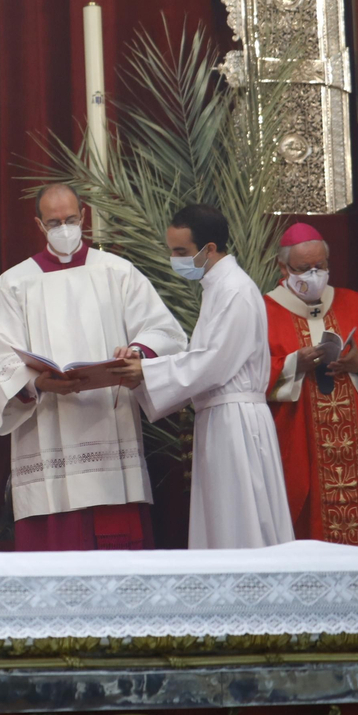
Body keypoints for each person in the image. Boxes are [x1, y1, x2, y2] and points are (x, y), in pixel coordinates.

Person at [0, 184, 187, 550]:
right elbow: (2, 355)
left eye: (71, 219)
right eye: (55, 222)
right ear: (39, 225)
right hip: (47, 422)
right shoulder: (14, 284)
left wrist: (137, 352)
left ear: (84, 216)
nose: (65, 228)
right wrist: (39, 383)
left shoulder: (117, 272)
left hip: (110, 421)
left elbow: (164, 330)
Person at [115, 204, 294, 549]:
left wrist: (146, 373)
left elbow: (214, 362)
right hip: (221, 418)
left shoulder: (235, 291)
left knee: (239, 521)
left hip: (236, 422)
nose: (174, 259)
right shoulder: (218, 287)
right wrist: (142, 364)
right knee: (222, 520)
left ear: (209, 249)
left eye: (181, 251)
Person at [264, 222, 358, 544]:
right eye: (303, 268)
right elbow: (249, 371)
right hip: (299, 443)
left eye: (320, 267)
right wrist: (294, 364)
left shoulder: (353, 303)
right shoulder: (264, 311)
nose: (313, 275)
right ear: (282, 267)